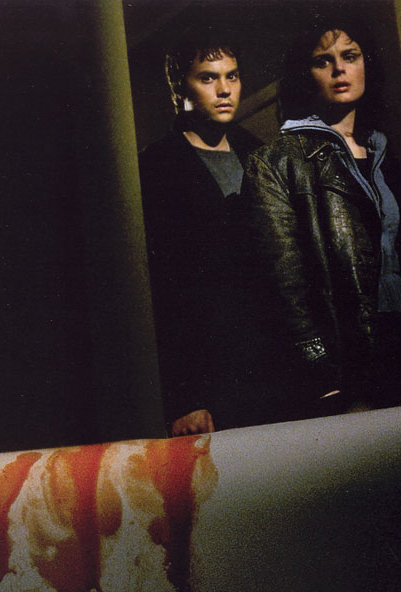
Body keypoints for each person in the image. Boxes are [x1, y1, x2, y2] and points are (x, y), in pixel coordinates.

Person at [240, 19, 401, 413]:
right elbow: (285, 284)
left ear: (366, 63)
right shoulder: (276, 162)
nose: (339, 69)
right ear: (304, 75)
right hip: (348, 359)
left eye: (350, 56)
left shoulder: (382, 151)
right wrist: (324, 376)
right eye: (323, 61)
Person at [138, 33, 278, 435]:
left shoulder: (259, 153)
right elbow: (163, 288)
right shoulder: (157, 165)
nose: (224, 89)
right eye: (208, 78)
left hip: (273, 357)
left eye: (232, 76)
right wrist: (185, 396)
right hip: (213, 370)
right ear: (180, 87)